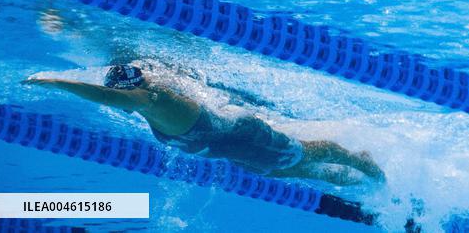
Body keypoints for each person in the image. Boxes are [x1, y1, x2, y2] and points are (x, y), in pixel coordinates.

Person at [23, 64, 384, 185]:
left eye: (123, 96)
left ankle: (362, 159)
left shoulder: (153, 99)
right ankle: (347, 177)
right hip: (234, 151)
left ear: (133, 90)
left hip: (246, 137)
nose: (123, 103)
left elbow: (108, 98)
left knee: (307, 155)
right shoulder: (150, 104)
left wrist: (56, 81)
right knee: (292, 171)